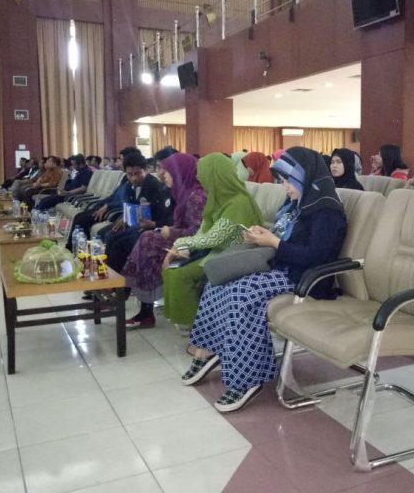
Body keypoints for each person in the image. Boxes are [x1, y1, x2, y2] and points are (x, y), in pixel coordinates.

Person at [181, 147, 347, 412]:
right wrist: (264, 235)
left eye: (289, 181)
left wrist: (273, 242)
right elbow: (284, 235)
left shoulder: (326, 210)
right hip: (280, 267)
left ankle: (248, 379)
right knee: (218, 281)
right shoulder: (299, 202)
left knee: (241, 293)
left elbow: (315, 256)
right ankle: (208, 349)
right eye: (282, 181)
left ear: (305, 177)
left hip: (304, 278)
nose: (285, 187)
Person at [161, 153, 264, 328]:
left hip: (232, 257)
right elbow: (202, 232)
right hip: (215, 253)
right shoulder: (217, 199)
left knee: (180, 275)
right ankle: (191, 322)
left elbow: (213, 238)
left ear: (215, 176)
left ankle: (197, 326)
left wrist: (179, 243)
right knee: (171, 270)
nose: (201, 181)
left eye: (204, 176)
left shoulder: (238, 203)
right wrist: (184, 248)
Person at [121, 153, 206, 328]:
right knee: (145, 239)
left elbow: (197, 232)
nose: (161, 174)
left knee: (147, 241)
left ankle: (134, 298)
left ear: (180, 172)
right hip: (183, 240)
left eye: (167, 171)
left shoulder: (195, 197)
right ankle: (138, 301)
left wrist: (171, 232)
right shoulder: (184, 192)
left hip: (196, 246)